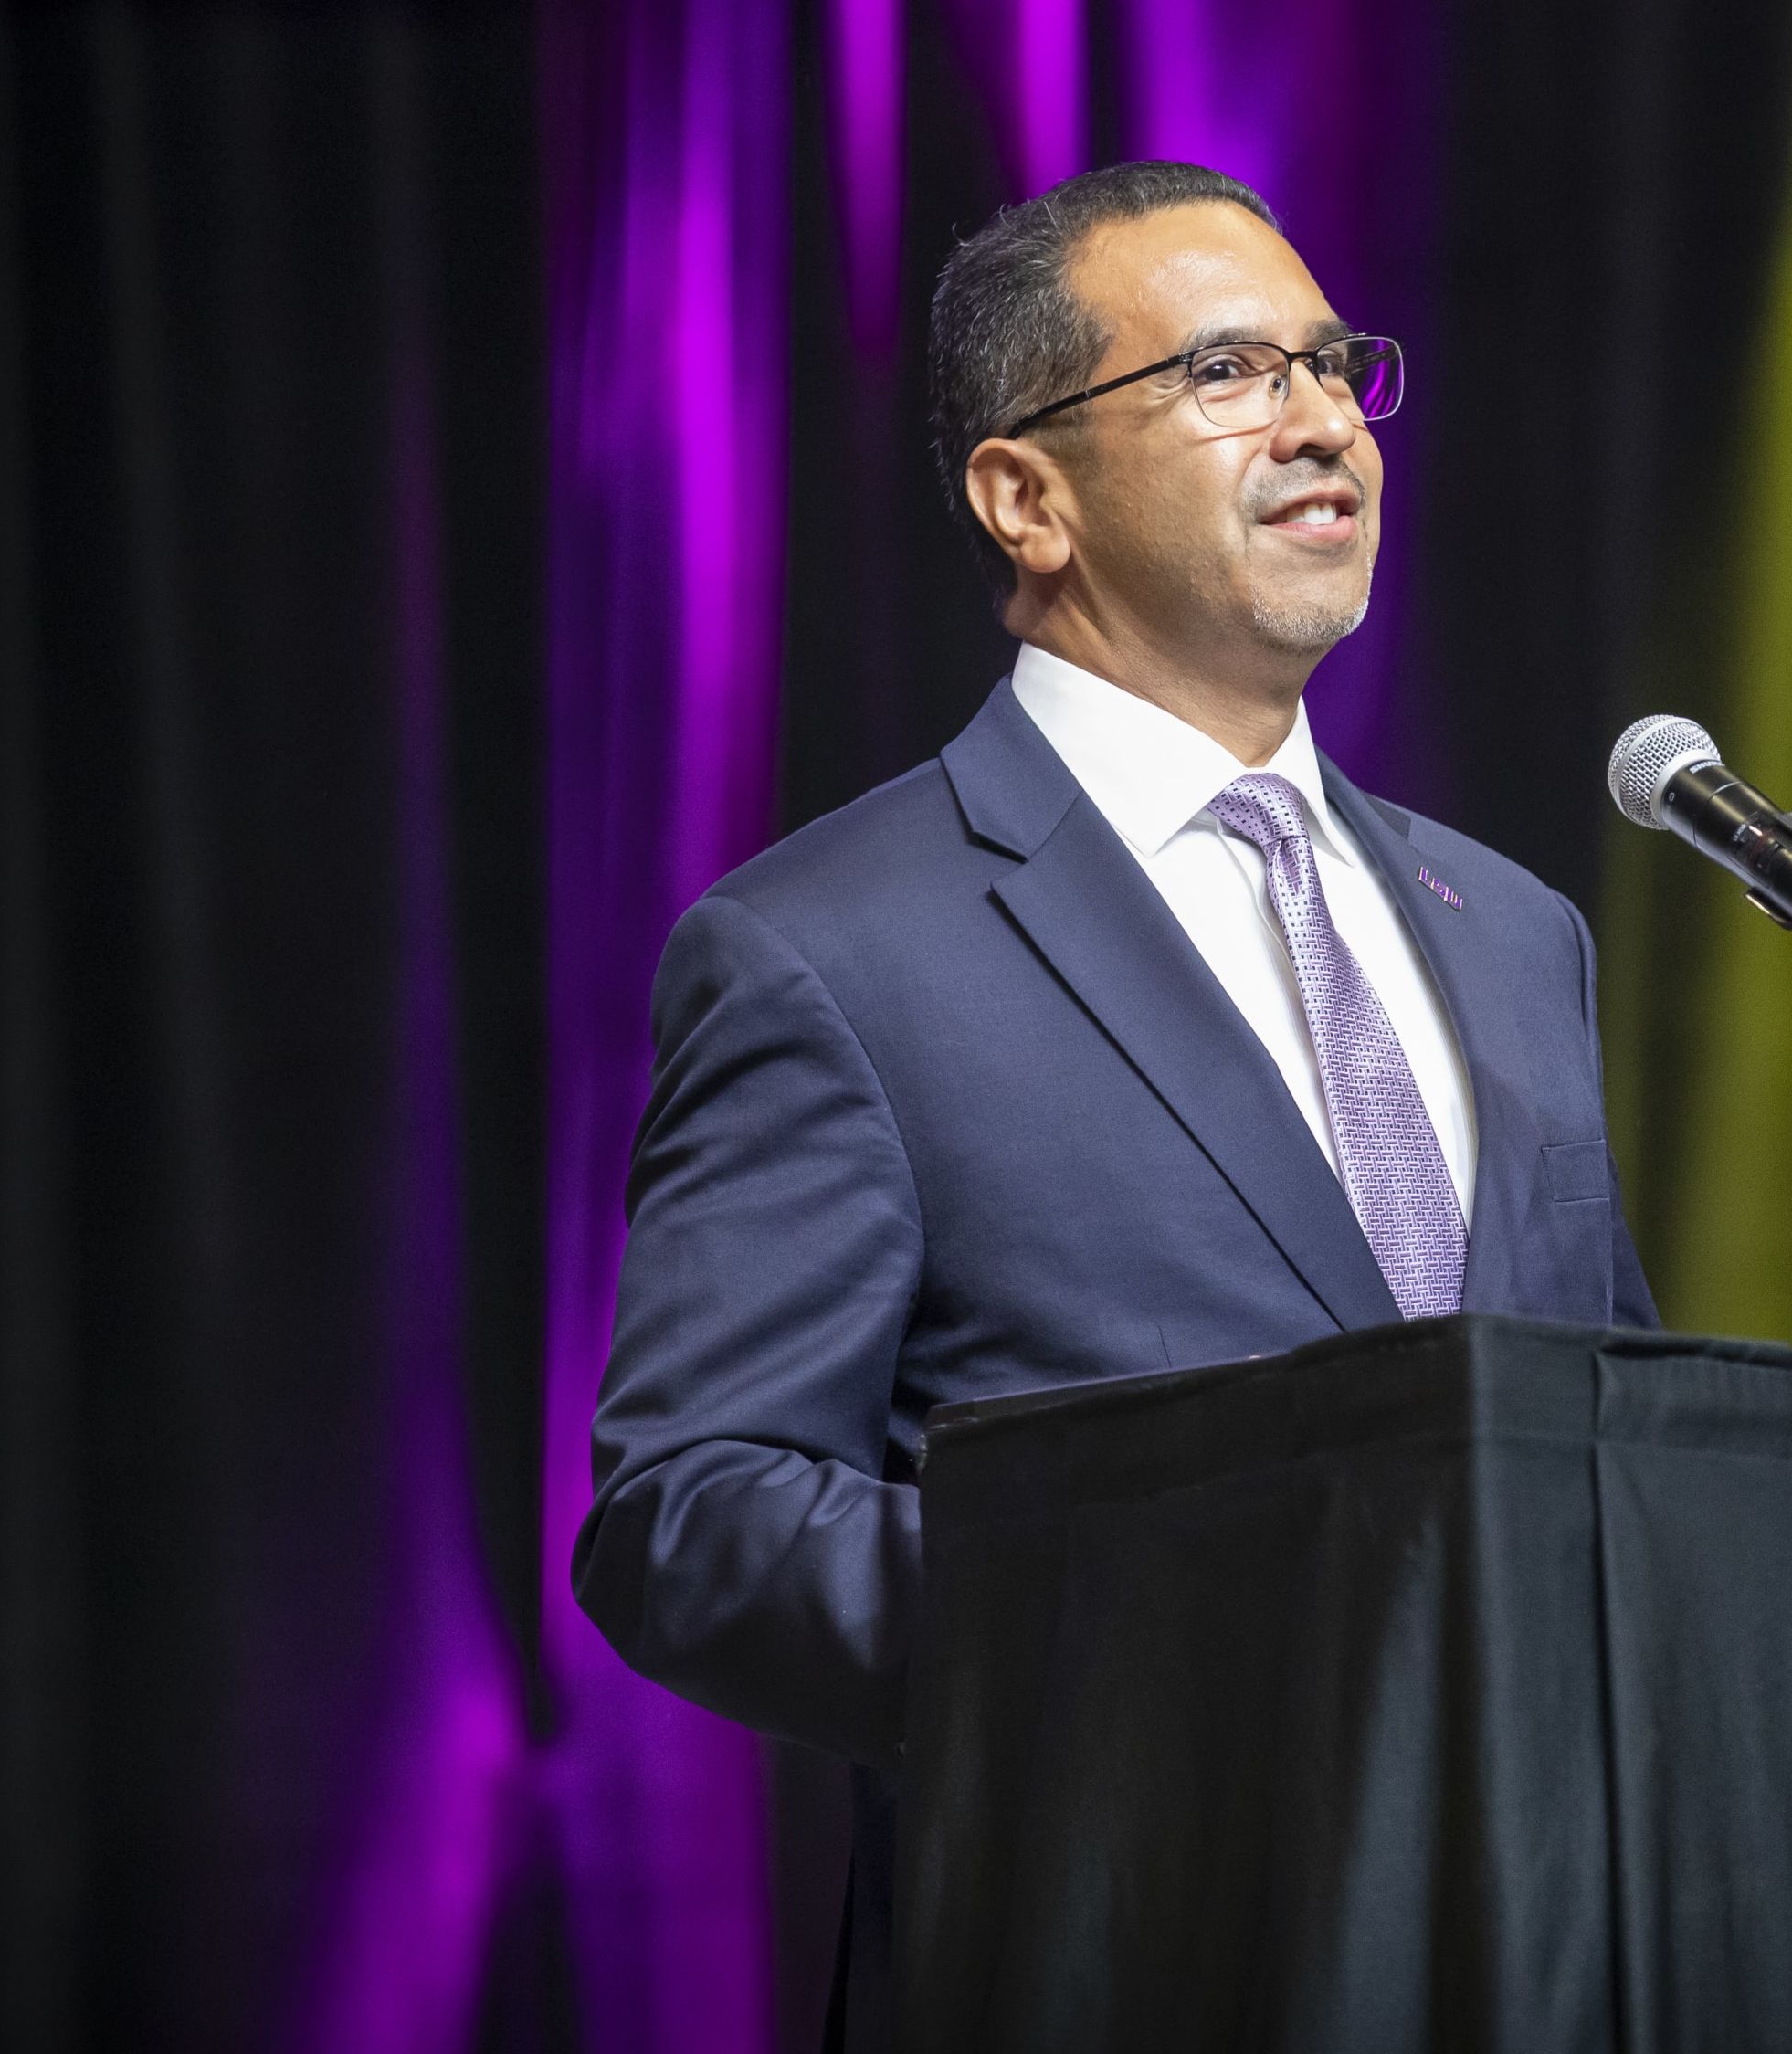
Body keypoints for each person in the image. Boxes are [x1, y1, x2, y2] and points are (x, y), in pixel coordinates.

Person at [571, 160, 1660, 2045]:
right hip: (1115, 1959)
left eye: (1337, 365)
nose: (1323, 416)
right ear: (1026, 495)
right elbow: (696, 1515)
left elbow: (1613, 1437)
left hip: (1553, 1965)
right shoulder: (831, 949)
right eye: (1230, 372)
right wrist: (1171, 1630)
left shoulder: (1517, 932)